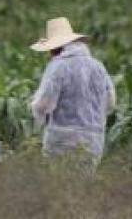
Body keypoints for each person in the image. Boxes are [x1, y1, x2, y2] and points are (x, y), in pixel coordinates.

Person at [30, 17, 116, 163]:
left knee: (59, 183)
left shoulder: (58, 66)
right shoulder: (98, 66)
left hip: (61, 141)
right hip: (94, 142)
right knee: (84, 184)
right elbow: (110, 103)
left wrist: (38, 117)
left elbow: (44, 105)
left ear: (55, 48)